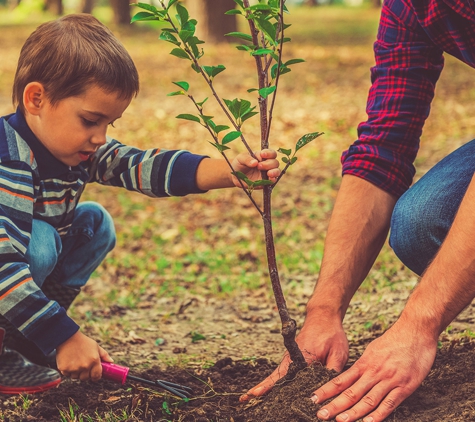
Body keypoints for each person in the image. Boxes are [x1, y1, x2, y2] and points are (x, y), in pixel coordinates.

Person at [0, 13, 281, 394]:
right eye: (90, 120)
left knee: (93, 224)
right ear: (37, 98)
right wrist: (64, 337)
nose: (100, 138)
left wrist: (228, 172)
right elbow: (3, 266)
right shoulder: (9, 159)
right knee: (42, 241)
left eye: (109, 125)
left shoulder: (74, 149)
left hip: (15, 282)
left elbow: (141, 166)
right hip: (5, 272)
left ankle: (28, 336)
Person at [241, 0, 475, 421]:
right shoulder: (410, 7)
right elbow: (385, 145)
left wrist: (418, 326)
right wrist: (325, 310)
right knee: (423, 223)